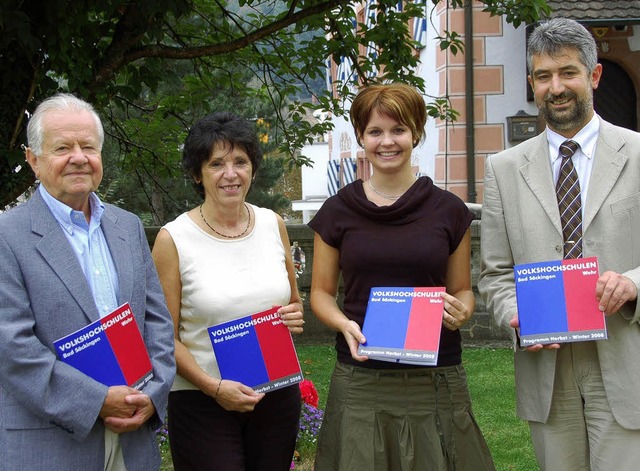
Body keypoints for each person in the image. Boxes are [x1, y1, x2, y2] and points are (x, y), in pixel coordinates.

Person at [479, 17, 640, 471]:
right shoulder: (504, 169)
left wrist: (631, 283)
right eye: (544, 76)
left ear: (594, 75)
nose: (556, 87)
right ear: (532, 83)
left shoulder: (638, 153)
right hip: (547, 367)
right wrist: (515, 312)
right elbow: (494, 272)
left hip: (624, 352)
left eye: (567, 72)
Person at [308, 83, 495, 471]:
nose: (387, 142)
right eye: (375, 132)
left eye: (398, 130)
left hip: (436, 374)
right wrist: (343, 324)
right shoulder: (337, 211)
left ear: (416, 134)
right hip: (362, 375)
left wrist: (463, 311)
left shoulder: (448, 210)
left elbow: (461, 288)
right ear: (361, 137)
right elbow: (322, 294)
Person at [0, 93, 176, 470]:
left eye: (88, 147)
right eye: (62, 147)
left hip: (133, 435)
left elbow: (157, 323)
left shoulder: (127, 227)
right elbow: (12, 347)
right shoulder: (7, 235)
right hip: (51, 440)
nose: (78, 157)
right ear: (33, 159)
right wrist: (96, 400)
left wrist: (154, 392)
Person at [152, 111, 305, 470]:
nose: (231, 173)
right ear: (197, 173)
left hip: (276, 393)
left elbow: (293, 303)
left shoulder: (273, 223)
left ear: (252, 167)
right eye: (216, 164)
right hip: (204, 401)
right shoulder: (173, 239)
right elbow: (162, 337)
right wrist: (212, 387)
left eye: (240, 161)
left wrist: (294, 315)